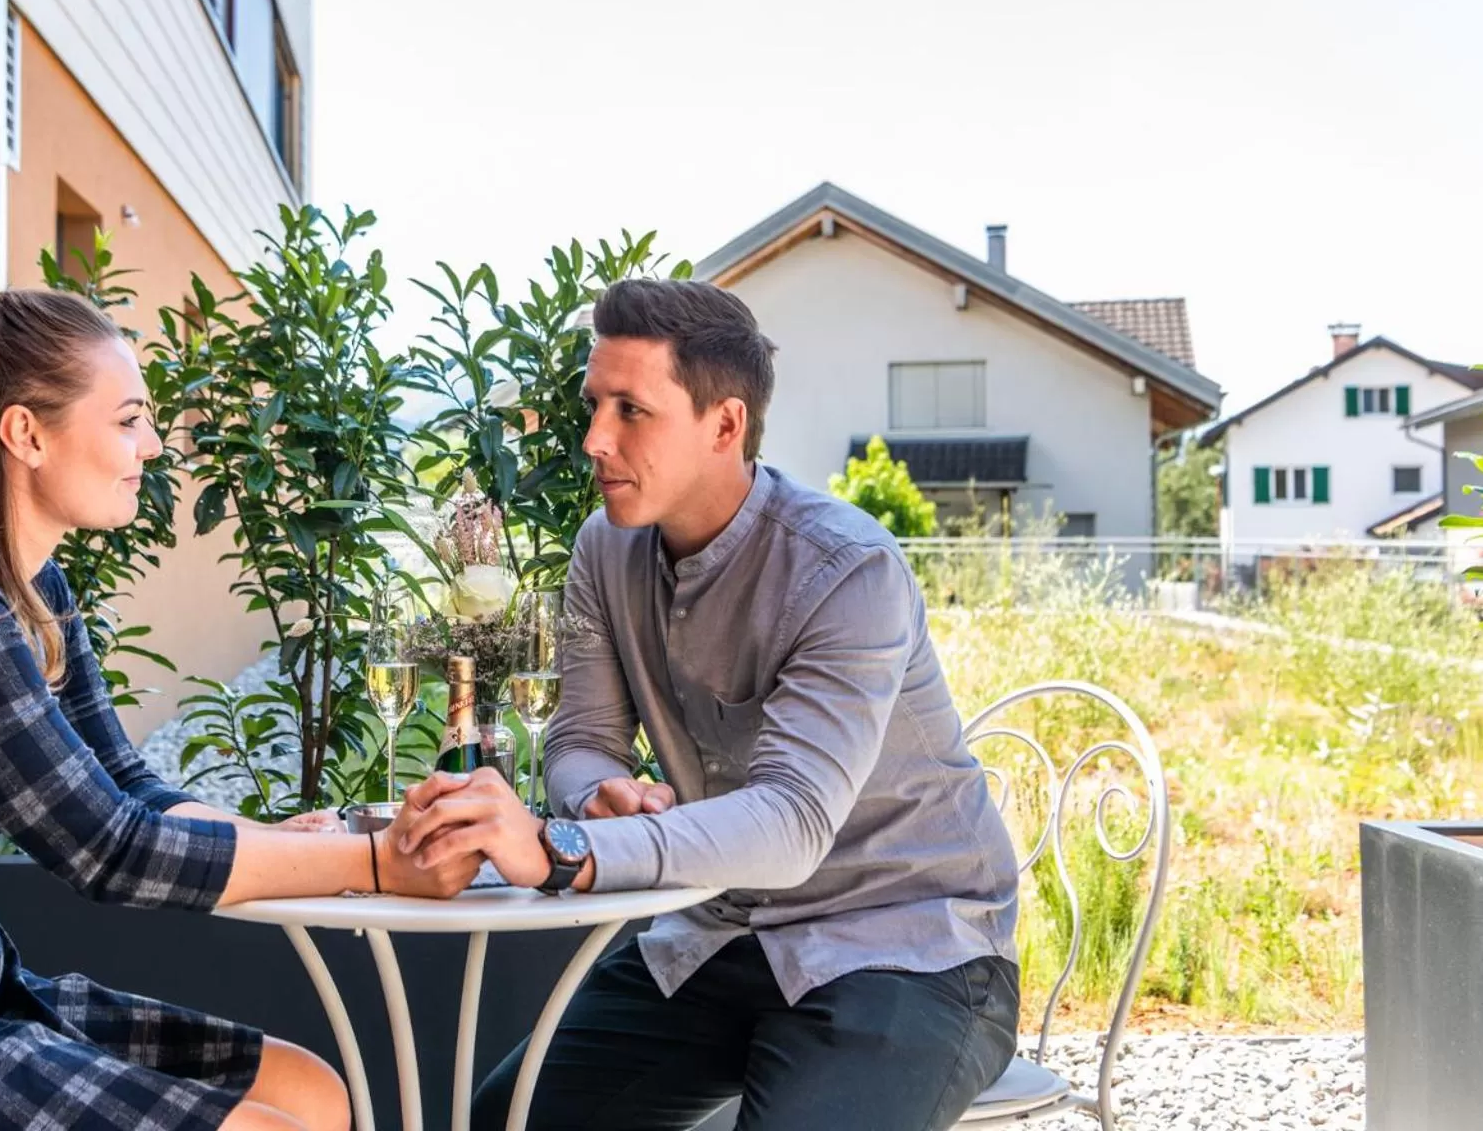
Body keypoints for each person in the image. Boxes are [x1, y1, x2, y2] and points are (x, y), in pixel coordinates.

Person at [0, 289, 480, 1131]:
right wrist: (376, 861)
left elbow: (125, 782)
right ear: (26, 434)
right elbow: (107, 850)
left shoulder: (30, 588)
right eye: (130, 420)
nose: (152, 447)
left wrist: (286, 841)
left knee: (312, 1092)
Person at [393, 278, 1022, 1130]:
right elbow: (581, 738)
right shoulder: (605, 548)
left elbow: (794, 820)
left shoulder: (846, 570)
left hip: (908, 948)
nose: (593, 439)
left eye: (630, 411)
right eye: (593, 405)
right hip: (724, 937)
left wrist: (566, 846)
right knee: (509, 1120)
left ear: (725, 425)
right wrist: (595, 795)